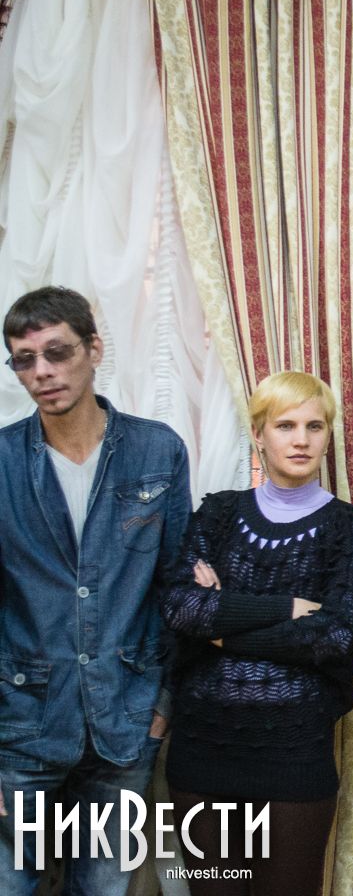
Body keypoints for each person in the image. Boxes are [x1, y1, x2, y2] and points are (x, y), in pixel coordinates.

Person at [0, 285, 190, 893]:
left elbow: (176, 588)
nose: (42, 372)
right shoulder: (2, 462)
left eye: (57, 352)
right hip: (21, 728)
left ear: (94, 349)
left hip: (125, 725)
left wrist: (161, 709)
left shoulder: (157, 450)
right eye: (24, 360)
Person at [157, 371, 353, 893]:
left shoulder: (347, 525)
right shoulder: (218, 512)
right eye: (285, 425)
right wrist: (287, 607)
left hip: (294, 750)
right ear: (258, 434)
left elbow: (333, 636)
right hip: (203, 747)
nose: (301, 440)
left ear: (328, 435)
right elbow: (181, 608)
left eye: (314, 426)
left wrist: (223, 628)